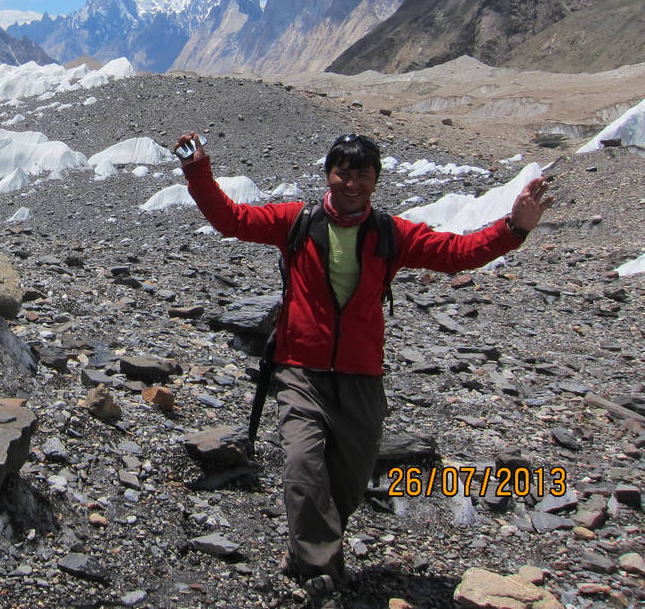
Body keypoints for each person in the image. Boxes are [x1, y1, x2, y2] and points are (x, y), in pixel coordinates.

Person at [174, 131, 553, 599]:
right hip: (300, 371)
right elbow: (230, 219)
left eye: (362, 174)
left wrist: (514, 228)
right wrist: (198, 169)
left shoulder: (390, 234)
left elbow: (456, 254)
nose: (351, 182)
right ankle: (320, 570)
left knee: (349, 480)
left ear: (374, 181)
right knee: (302, 463)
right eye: (343, 172)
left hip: (361, 377)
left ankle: (310, 545)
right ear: (328, 174)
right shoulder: (297, 221)